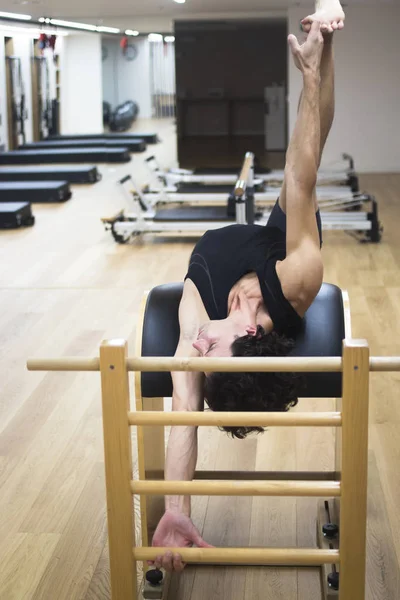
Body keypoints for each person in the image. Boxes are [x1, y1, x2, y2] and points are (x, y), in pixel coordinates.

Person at [150, 0, 345, 574]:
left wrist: (175, 508)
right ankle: (325, 44)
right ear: (250, 330)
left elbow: (185, 409)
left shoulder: (202, 336)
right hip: (270, 254)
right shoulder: (296, 284)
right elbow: (302, 171)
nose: (198, 348)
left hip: (231, 256)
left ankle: (320, 53)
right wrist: (316, 73)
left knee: (302, 160)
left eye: (200, 353)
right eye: (213, 347)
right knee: (302, 165)